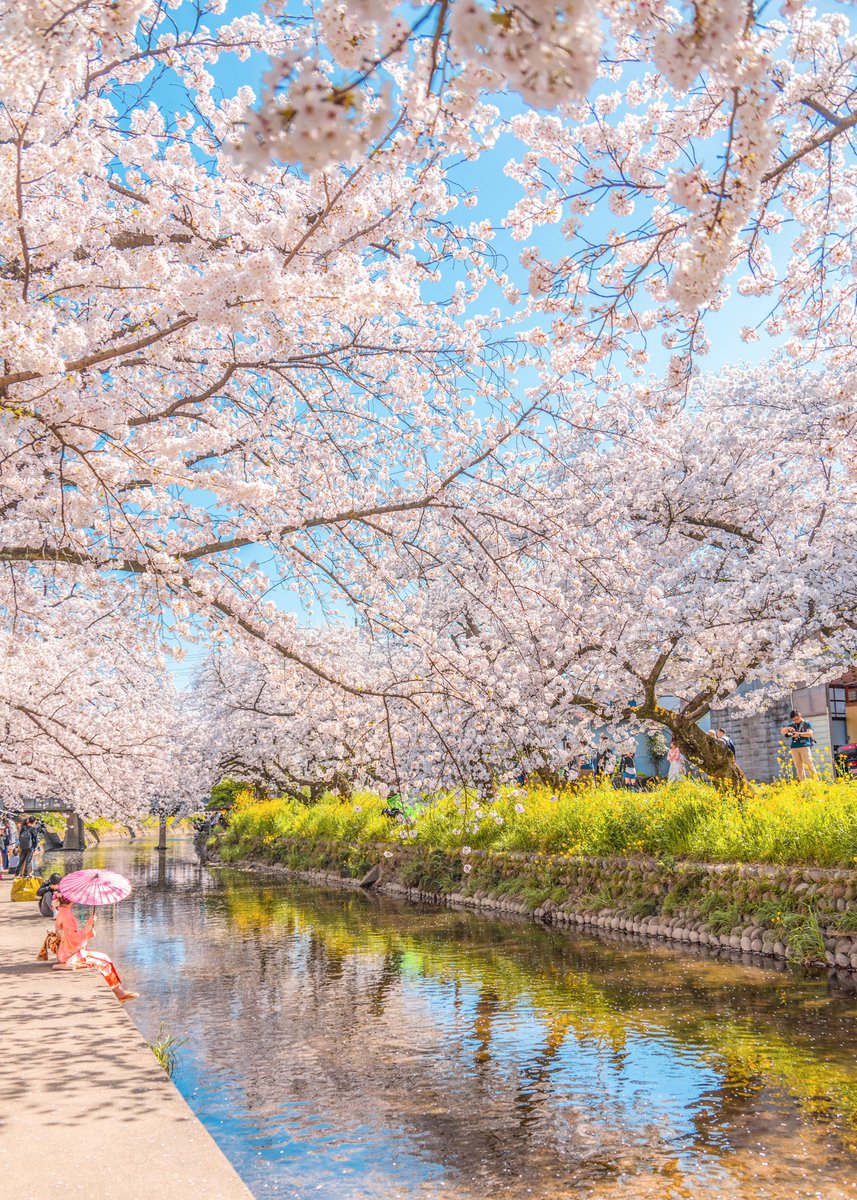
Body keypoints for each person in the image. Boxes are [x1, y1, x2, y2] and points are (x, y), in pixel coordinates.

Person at [52, 896, 138, 1003]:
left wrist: (88, 932)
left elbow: (72, 937)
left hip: (67, 950)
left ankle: (118, 991)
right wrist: (88, 926)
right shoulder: (66, 915)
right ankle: (118, 992)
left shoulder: (64, 912)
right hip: (68, 954)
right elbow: (75, 940)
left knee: (104, 957)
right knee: (102, 962)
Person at [781, 709, 818, 780]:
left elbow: (810, 733)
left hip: (804, 746)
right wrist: (788, 729)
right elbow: (783, 732)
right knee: (799, 767)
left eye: (797, 719)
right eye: (794, 720)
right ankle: (803, 782)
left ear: (800, 716)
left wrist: (799, 734)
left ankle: (816, 781)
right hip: (794, 747)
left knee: (809, 764)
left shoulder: (807, 723)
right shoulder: (792, 725)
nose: (796, 721)